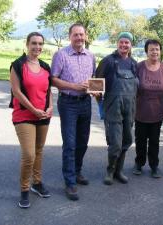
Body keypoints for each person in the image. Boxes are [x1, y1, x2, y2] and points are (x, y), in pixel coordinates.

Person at [51, 23, 95, 201]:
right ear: (70, 36)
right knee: (69, 143)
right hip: (68, 103)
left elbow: (93, 79)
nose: (79, 38)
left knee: (83, 142)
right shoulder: (61, 55)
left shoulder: (91, 56)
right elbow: (53, 79)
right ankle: (69, 182)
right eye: (75, 35)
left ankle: (77, 172)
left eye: (81, 34)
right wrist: (74, 86)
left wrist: (93, 88)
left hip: (85, 102)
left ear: (86, 36)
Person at [9, 32, 53, 208]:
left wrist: (50, 107)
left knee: (39, 151)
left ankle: (37, 182)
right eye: (34, 43)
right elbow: (17, 92)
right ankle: (24, 189)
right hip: (24, 116)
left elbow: (48, 91)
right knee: (29, 154)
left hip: (43, 116)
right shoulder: (18, 65)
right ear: (27, 44)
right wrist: (34, 110)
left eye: (40, 44)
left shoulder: (45, 66)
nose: (37, 47)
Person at [96, 32, 138, 185]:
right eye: (121, 42)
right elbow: (96, 84)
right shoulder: (108, 61)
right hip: (113, 107)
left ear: (130, 45)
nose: (124, 45)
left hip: (129, 108)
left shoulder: (134, 63)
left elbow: (137, 88)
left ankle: (119, 171)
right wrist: (101, 104)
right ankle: (110, 170)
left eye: (127, 42)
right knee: (115, 143)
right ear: (117, 43)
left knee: (127, 140)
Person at [132, 39, 163, 178]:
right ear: (146, 51)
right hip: (140, 111)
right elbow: (132, 88)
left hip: (158, 112)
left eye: (157, 49)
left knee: (155, 140)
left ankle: (154, 166)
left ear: (160, 51)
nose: (154, 52)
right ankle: (139, 163)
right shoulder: (138, 67)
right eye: (151, 49)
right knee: (140, 139)